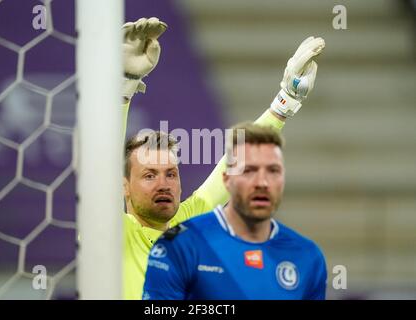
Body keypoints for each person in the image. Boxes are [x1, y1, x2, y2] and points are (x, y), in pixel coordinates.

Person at [121, 17, 325, 299]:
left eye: (170, 173)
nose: (163, 184)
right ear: (123, 186)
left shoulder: (187, 222)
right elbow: (99, 167)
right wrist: (124, 87)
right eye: (149, 175)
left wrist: (285, 103)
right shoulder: (112, 231)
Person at [143, 123, 327, 300]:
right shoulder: (177, 248)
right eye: (249, 171)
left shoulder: (308, 255)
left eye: (273, 171)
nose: (262, 182)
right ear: (226, 180)